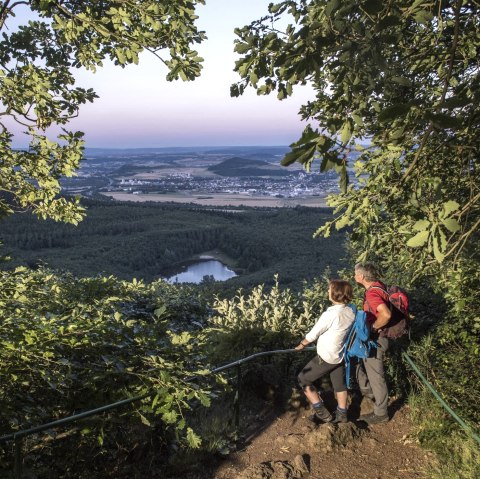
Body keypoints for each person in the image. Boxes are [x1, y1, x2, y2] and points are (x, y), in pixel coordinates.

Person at [295, 279, 355, 424]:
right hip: (340, 354)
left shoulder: (331, 314)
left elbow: (313, 334)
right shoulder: (351, 310)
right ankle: (342, 414)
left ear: (336, 293)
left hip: (327, 356)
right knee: (339, 384)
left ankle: (322, 413)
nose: (328, 291)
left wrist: (302, 344)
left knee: (303, 378)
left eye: (330, 289)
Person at [354, 262, 392, 424]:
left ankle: (381, 413)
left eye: (355, 273)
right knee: (362, 364)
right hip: (381, 337)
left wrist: (374, 328)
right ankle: (369, 392)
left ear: (361, 277)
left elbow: (386, 314)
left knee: (376, 376)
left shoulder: (372, 294)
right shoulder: (379, 286)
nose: (354, 276)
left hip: (377, 338)